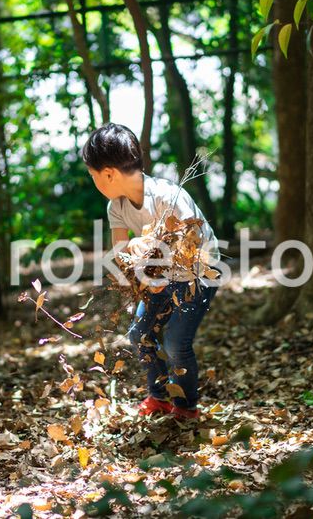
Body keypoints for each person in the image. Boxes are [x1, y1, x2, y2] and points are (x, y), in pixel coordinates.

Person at [82, 123, 219, 420]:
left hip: (199, 274)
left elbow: (193, 248)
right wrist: (145, 276)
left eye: (93, 175)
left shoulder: (168, 197)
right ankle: (159, 397)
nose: (94, 181)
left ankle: (186, 406)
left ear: (108, 174)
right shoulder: (115, 207)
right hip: (160, 276)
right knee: (140, 334)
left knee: (175, 343)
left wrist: (155, 261)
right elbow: (122, 254)